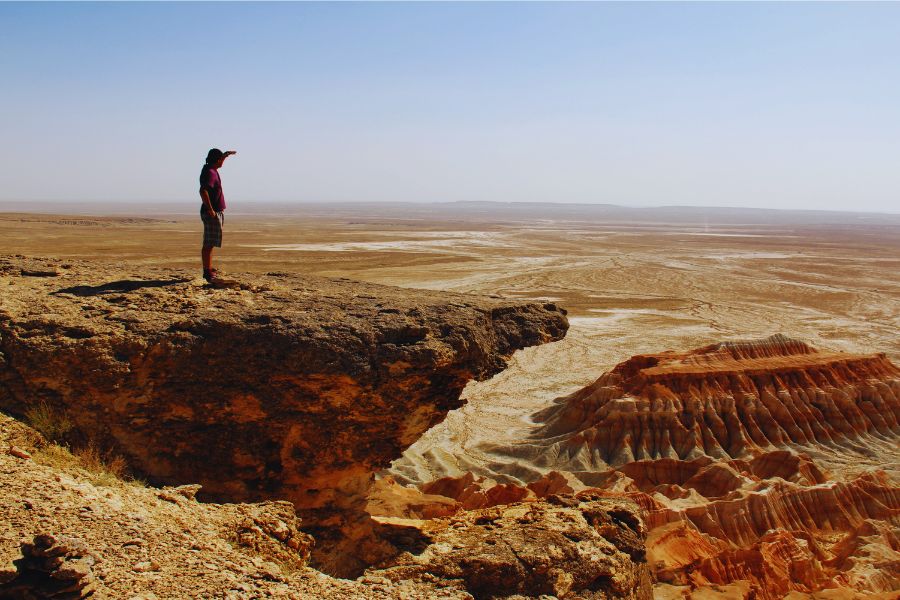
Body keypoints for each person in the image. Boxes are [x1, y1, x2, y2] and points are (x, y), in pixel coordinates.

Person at [199, 148, 236, 282]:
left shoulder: (211, 169)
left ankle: (208, 268)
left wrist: (225, 155)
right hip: (212, 212)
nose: (223, 163)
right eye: (221, 160)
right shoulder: (210, 173)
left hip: (214, 211)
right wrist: (210, 210)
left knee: (211, 242)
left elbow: (217, 163)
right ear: (217, 160)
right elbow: (203, 191)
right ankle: (207, 272)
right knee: (209, 243)